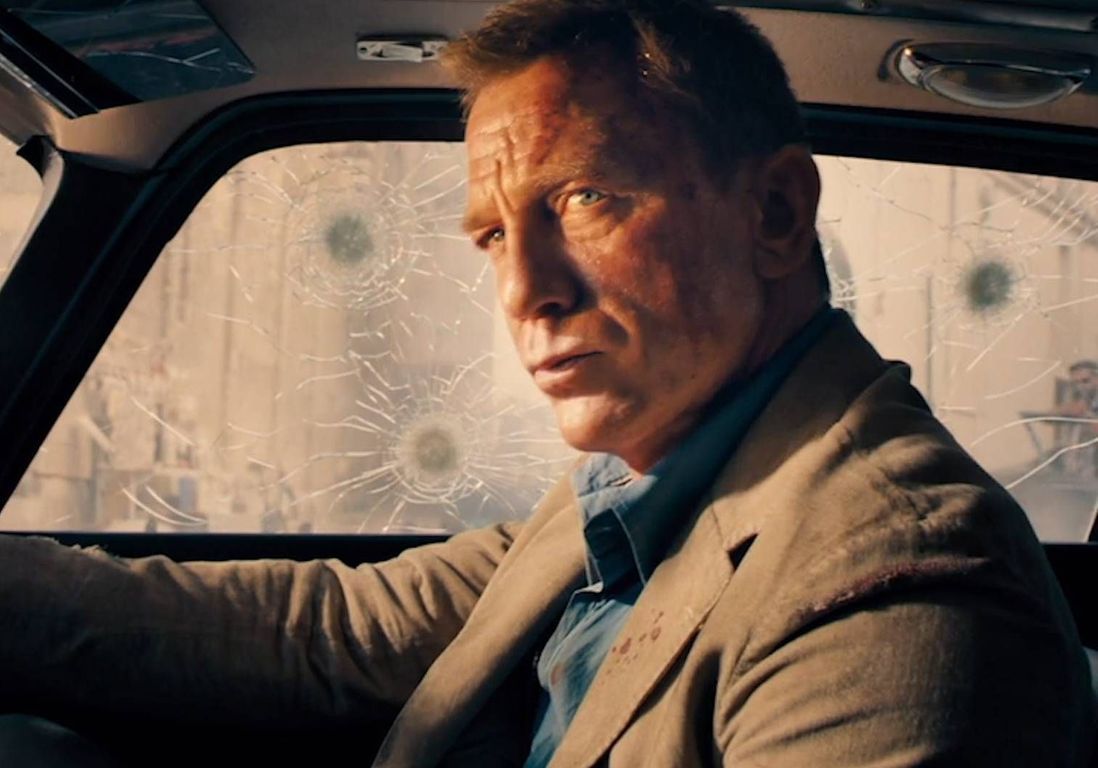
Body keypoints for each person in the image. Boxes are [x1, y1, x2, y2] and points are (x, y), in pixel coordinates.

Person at [1, 1, 1095, 766]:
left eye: (584, 199)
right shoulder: (639, 488)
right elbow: (333, 630)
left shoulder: (897, 586)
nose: (525, 291)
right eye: (492, 236)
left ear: (774, 214)